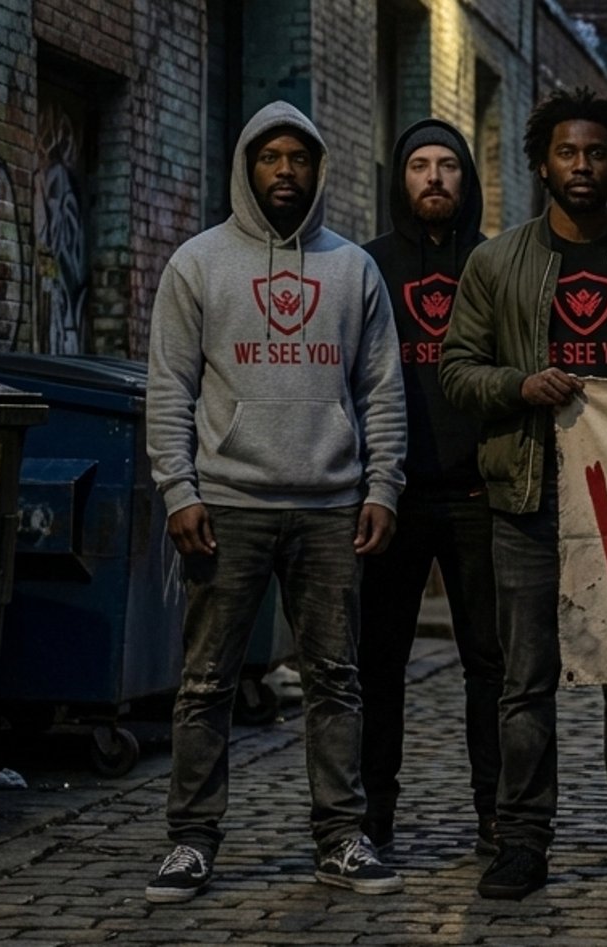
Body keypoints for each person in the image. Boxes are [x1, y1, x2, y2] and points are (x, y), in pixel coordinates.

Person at [440, 87, 607, 901]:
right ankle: (521, 842)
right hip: (527, 499)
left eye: (595, 153)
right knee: (526, 682)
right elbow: (455, 370)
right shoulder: (496, 263)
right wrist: (522, 384)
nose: (581, 167)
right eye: (567, 153)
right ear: (542, 162)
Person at [144, 100, 407, 903]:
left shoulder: (351, 269)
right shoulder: (199, 263)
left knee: (336, 678)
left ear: (317, 168)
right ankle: (191, 842)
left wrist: (383, 485)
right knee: (205, 683)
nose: (285, 170)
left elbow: (382, 389)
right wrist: (178, 489)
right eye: (271, 158)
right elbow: (169, 387)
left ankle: (341, 837)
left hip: (331, 505)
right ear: (247, 167)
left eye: (298, 158)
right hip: (228, 504)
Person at [356, 118, 505, 859]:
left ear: (467, 180)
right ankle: (374, 812)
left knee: (491, 664)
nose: (435, 178)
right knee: (380, 662)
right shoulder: (369, 266)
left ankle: (495, 815)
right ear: (400, 177)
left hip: (480, 496)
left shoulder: (494, 263)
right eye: (420, 164)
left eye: (449, 165)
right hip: (394, 494)